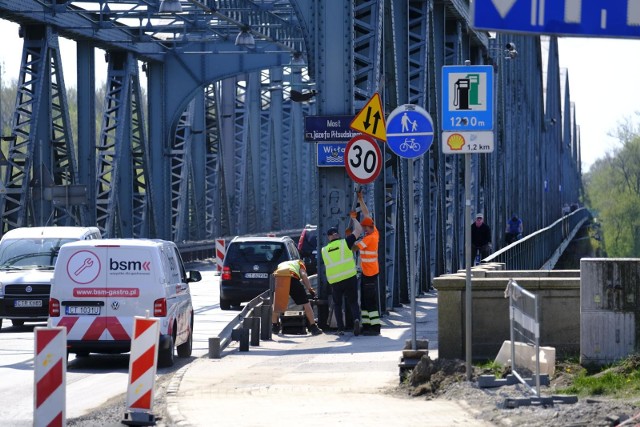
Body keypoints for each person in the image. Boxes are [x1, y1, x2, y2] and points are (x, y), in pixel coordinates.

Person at [321, 220, 363, 336]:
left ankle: (340, 329)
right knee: (353, 301)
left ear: (329, 237)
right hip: (349, 277)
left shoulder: (324, 250)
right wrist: (354, 219)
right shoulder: (345, 242)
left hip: (335, 281)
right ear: (337, 235)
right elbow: (359, 230)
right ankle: (356, 320)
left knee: (337, 304)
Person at [352, 190, 382, 335]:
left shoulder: (369, 238)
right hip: (368, 272)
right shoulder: (374, 231)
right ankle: (367, 326)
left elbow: (353, 248)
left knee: (369, 301)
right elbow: (366, 213)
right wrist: (361, 199)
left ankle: (375, 327)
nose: (363, 229)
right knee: (364, 301)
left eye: (364, 228)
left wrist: (352, 234)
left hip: (369, 273)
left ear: (369, 227)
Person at [271, 259, 323, 336]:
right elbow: (304, 275)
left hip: (279, 279)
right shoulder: (300, 263)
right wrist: (310, 289)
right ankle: (313, 327)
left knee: (277, 304)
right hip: (292, 278)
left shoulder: (282, 263)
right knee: (306, 303)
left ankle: (274, 326)